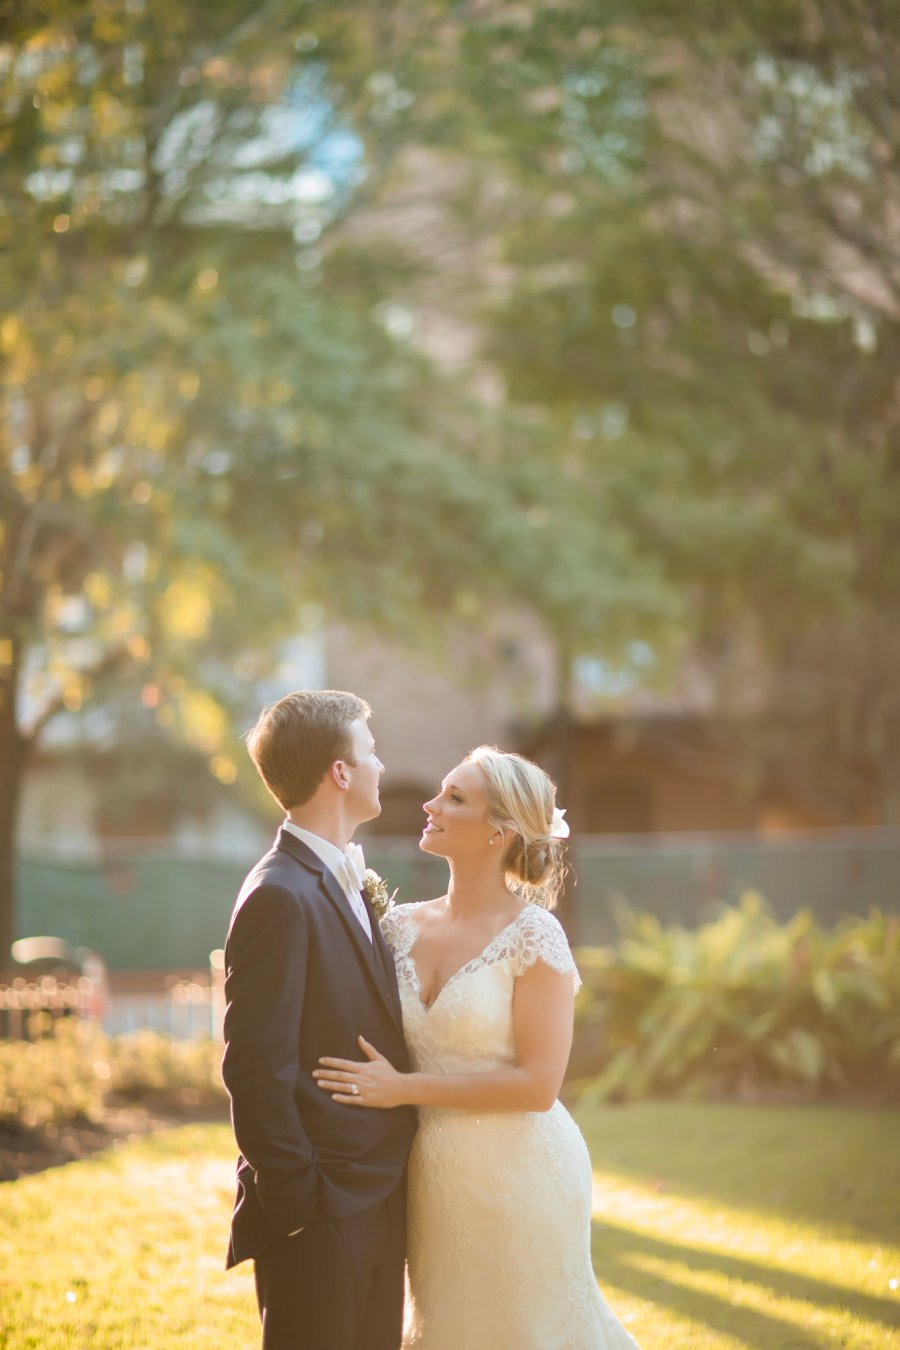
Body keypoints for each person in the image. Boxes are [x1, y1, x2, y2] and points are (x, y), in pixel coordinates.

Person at [315, 745, 642, 1350]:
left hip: (524, 1173)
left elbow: (540, 1086)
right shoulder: (396, 928)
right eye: (440, 791)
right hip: (432, 1178)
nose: (431, 805)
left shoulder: (534, 936)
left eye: (454, 798)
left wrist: (402, 1089)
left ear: (500, 832)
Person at [221, 690, 416, 1350]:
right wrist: (300, 1205)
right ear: (340, 772)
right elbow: (254, 1069)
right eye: (370, 751)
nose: (381, 766)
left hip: (379, 1201)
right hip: (323, 1214)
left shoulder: (345, 879)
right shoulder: (280, 893)